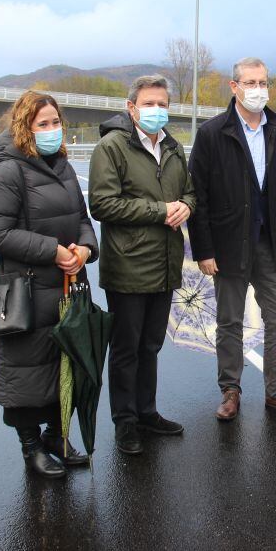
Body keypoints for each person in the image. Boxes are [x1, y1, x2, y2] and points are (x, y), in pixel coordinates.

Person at [0, 91, 99, 477]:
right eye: (42, 124)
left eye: (55, 122)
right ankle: (31, 447)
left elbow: (82, 218)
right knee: (27, 370)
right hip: (27, 291)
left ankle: (57, 437)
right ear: (24, 127)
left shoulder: (62, 165)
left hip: (66, 286)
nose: (51, 130)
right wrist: (52, 251)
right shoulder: (8, 170)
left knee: (64, 366)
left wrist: (84, 248)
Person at [188, 57, 276, 421]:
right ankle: (230, 390)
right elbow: (199, 195)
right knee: (229, 321)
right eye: (251, 82)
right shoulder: (212, 133)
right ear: (234, 86)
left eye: (263, 82)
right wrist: (204, 249)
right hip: (228, 245)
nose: (258, 89)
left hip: (271, 242)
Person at [89, 75, 197, 456]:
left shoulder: (172, 146)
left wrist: (186, 205)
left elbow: (188, 191)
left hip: (166, 264)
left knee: (150, 345)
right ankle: (125, 422)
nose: (157, 110)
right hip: (128, 266)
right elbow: (102, 204)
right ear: (131, 107)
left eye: (163, 103)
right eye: (149, 103)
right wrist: (159, 210)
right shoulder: (112, 147)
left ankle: (147, 412)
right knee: (126, 348)